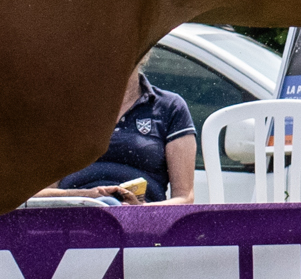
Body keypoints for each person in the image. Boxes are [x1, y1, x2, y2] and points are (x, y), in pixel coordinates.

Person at [32, 56, 198, 204]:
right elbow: (37, 195)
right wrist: (84, 197)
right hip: (74, 215)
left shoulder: (170, 107)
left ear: (144, 53)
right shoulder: (66, 109)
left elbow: (184, 198)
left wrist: (142, 210)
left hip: (141, 221)